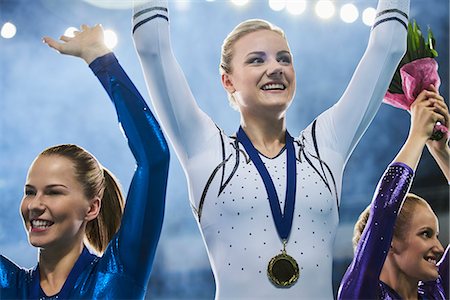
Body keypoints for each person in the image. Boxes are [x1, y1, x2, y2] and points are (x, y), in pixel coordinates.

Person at [132, 0, 409, 298]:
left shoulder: (324, 148)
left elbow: (388, 47)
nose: (275, 68)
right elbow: (153, 48)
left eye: (284, 59)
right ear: (227, 80)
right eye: (256, 60)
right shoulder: (207, 152)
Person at [0, 24, 169, 299]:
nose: (35, 204)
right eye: (30, 192)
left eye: (53, 192)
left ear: (91, 208)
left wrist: (101, 59)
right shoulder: (10, 286)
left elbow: (154, 159)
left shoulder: (116, 275)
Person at [338, 85, 449, 299]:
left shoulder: (435, 290)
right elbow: (385, 210)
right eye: (426, 234)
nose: (439, 247)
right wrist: (416, 135)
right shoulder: (361, 292)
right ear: (389, 241)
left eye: (436, 235)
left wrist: (441, 150)